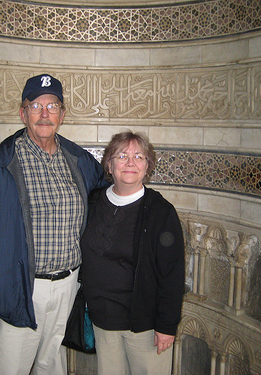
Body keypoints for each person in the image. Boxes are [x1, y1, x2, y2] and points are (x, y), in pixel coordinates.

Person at [0, 74, 107, 375]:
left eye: (52, 106)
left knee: (49, 364)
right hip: (17, 286)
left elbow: (106, 201)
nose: (44, 114)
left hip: (68, 285)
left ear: (62, 114)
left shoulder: (79, 160)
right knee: (11, 367)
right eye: (35, 106)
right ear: (23, 113)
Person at [81, 131, 185, 375]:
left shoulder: (161, 212)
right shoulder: (93, 202)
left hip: (144, 327)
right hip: (103, 322)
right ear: (109, 163)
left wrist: (167, 326)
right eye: (122, 156)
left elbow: (172, 274)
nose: (130, 162)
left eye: (139, 156)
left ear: (147, 165)